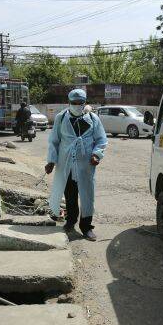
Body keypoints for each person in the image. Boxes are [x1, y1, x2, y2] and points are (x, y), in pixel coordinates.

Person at [45, 89, 108, 240]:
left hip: (86, 164)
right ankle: (70, 221)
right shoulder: (61, 118)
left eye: (80, 103)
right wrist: (51, 161)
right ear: (69, 103)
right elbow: (54, 141)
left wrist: (96, 155)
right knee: (70, 194)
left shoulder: (93, 119)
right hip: (66, 163)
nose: (77, 105)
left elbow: (101, 140)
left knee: (87, 195)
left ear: (84, 103)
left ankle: (86, 227)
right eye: (74, 103)